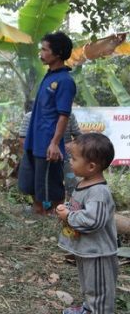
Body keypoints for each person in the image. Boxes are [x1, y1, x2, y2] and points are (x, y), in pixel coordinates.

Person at [56, 133, 118, 314]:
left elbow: (93, 220)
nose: (70, 161)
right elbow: (81, 207)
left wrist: (68, 216)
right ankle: (89, 308)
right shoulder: (84, 183)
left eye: (74, 159)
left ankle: (98, 310)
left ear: (91, 166)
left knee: (99, 288)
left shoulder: (99, 192)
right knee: (90, 284)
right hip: (87, 249)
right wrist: (67, 209)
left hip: (98, 252)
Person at [20, 31, 76, 215]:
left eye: (45, 50)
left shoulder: (65, 81)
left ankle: (58, 215)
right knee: (34, 181)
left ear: (58, 53)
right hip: (35, 140)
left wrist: (54, 143)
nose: (41, 53)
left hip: (48, 143)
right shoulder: (49, 76)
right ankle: (39, 211)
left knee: (51, 185)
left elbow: (63, 115)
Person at [19, 111, 82, 200]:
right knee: (40, 187)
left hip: (66, 159)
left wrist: (71, 144)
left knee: (71, 184)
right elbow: (23, 139)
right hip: (40, 159)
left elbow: (78, 136)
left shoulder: (69, 115)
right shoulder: (30, 116)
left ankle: (71, 205)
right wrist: (42, 150)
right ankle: (42, 205)